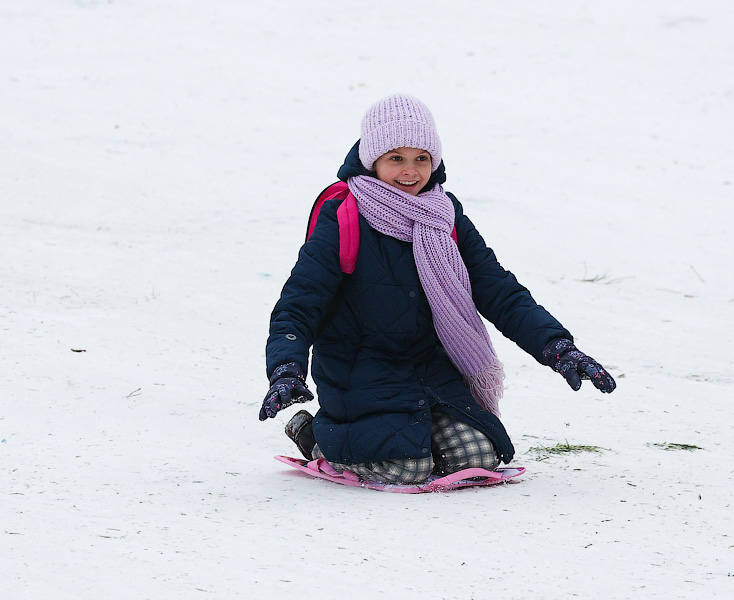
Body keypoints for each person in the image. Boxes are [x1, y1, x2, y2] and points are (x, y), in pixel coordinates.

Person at [260, 93, 615, 485]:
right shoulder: (344, 218)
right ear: (372, 160)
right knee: (406, 468)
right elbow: (299, 304)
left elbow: (498, 290)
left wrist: (557, 347)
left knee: (478, 456)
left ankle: (412, 440)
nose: (410, 171)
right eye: (396, 158)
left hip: (429, 372)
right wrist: (286, 369)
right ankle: (314, 438)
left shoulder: (444, 216)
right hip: (359, 373)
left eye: (421, 158)